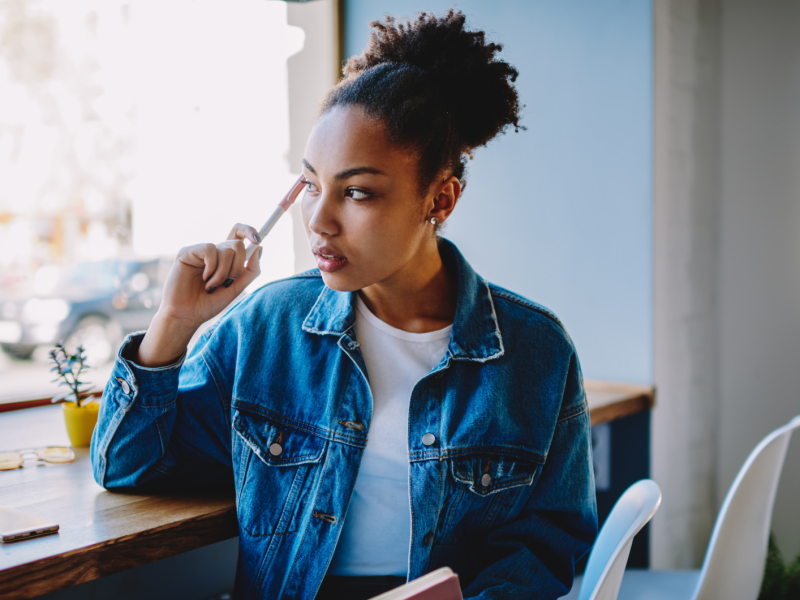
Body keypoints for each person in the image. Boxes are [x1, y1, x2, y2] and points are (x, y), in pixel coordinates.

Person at [91, 10, 597, 600]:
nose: (320, 220)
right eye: (311, 185)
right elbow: (125, 467)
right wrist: (173, 325)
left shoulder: (536, 353)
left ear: (441, 197)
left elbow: (548, 543)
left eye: (356, 192)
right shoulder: (267, 328)